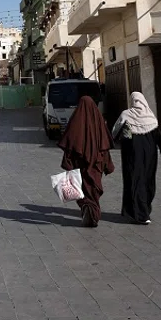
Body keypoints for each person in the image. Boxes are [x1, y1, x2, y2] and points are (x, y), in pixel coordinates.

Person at [112, 92, 161, 225]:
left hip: (132, 157)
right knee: (147, 182)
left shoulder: (126, 115)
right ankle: (142, 211)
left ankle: (140, 214)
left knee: (134, 182)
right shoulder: (150, 117)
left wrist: (113, 142)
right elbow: (159, 140)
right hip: (150, 158)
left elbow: (119, 134)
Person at [57, 96, 115, 227]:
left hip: (81, 165)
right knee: (93, 189)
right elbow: (105, 145)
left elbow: (70, 143)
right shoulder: (99, 121)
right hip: (96, 165)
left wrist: (68, 162)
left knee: (83, 189)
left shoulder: (76, 121)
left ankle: (89, 212)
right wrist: (107, 164)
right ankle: (92, 214)